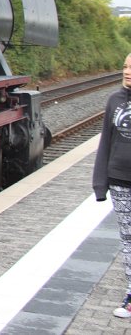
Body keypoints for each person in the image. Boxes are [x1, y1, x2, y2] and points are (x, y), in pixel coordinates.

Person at [92, 52, 131, 317]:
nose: (127, 71)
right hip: (119, 180)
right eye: (126, 66)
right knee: (128, 241)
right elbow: (106, 140)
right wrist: (100, 182)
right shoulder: (114, 100)